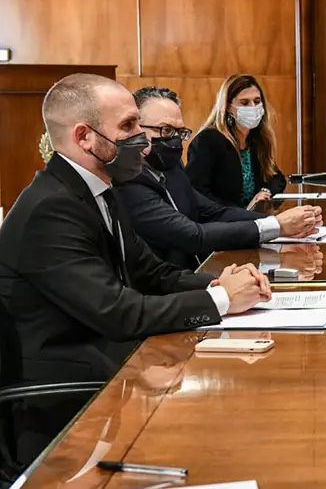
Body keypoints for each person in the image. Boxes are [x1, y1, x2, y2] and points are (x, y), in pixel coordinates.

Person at [0, 74, 270, 461]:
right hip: (60, 399)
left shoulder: (100, 190)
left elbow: (153, 273)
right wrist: (222, 301)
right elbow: (118, 313)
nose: (142, 141)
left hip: (114, 369)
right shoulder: (50, 208)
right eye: (128, 127)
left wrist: (218, 284)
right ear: (84, 137)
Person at [117, 86, 324, 270]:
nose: (175, 141)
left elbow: (211, 211)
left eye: (179, 132)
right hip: (167, 287)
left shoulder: (171, 166)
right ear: (134, 129)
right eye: (166, 130)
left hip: (197, 272)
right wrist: (277, 226)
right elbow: (192, 235)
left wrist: (278, 223)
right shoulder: (128, 180)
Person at [186, 74, 287, 209]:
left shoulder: (256, 139)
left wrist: (264, 193)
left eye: (257, 101)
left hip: (252, 218)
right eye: (244, 103)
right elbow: (197, 193)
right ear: (228, 107)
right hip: (219, 218)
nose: (253, 107)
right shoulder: (208, 140)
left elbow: (277, 178)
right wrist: (242, 211)